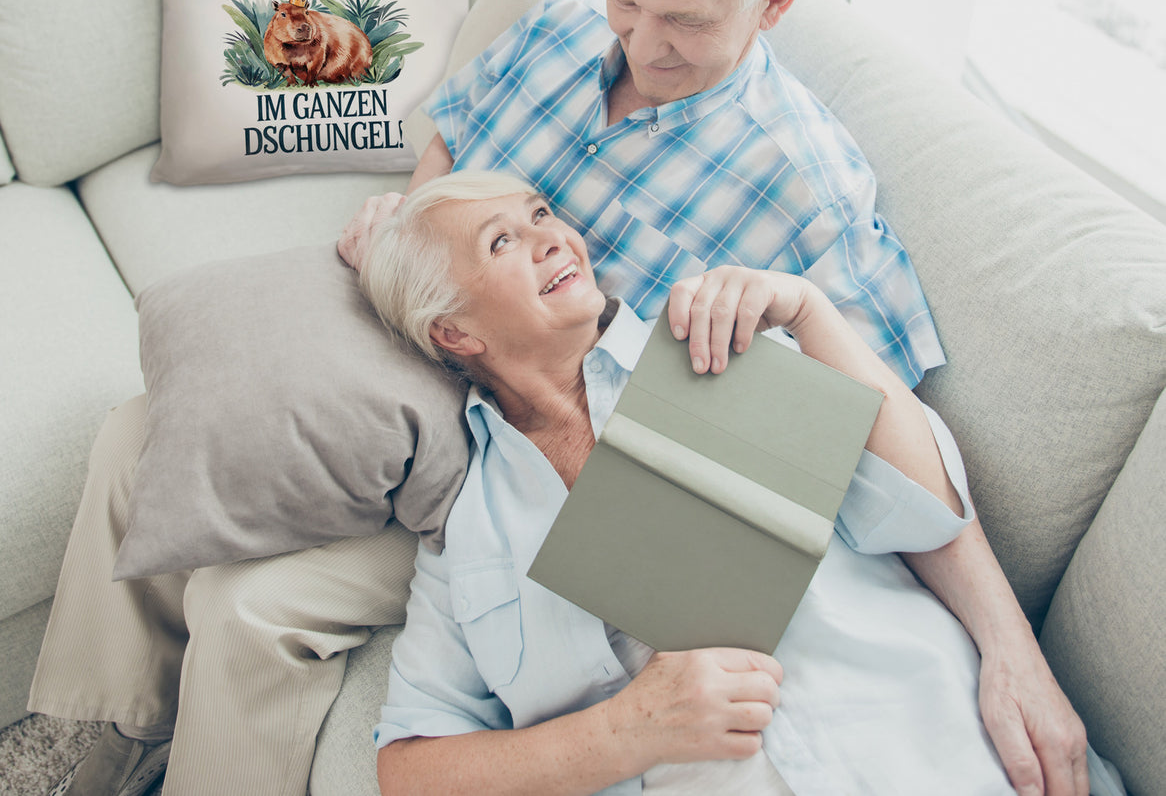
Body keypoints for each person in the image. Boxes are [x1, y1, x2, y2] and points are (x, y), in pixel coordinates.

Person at [340, 0, 1088, 795]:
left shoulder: (783, 241)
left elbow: (897, 468)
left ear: (774, 2)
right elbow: (453, 128)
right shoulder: (561, 32)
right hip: (445, 419)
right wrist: (414, 241)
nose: (641, 44)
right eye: (626, 0)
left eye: (684, 20)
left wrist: (1010, 650)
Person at [359, 170, 1113, 796]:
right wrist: (626, 731)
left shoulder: (714, 344)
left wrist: (811, 313)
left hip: (937, 749)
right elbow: (410, 770)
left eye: (541, 214)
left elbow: (925, 511)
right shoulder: (469, 533)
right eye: (503, 241)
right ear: (454, 332)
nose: (553, 237)